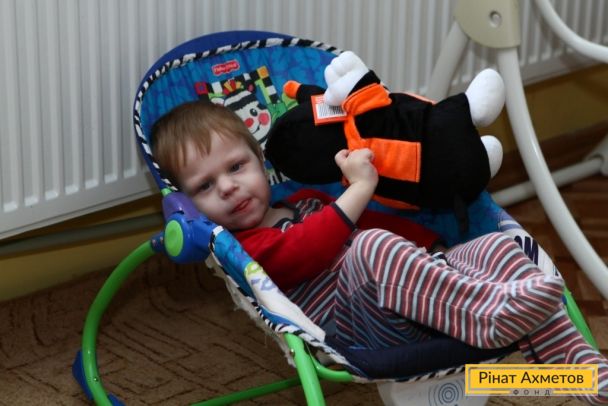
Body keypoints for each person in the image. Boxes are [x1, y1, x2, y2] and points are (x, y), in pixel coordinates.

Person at [152, 100, 607, 404]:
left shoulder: (307, 201)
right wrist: (361, 188)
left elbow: (381, 225)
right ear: (188, 205)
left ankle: (581, 373)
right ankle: (492, 316)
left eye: (236, 166)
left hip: (426, 295)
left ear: (260, 161)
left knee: (496, 246)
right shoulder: (243, 246)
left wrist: (438, 249)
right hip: (357, 327)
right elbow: (311, 248)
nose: (228, 187)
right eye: (205, 186)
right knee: (370, 248)